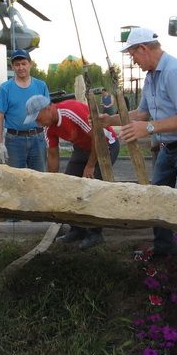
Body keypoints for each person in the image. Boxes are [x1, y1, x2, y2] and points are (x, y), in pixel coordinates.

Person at [101, 28, 177, 283]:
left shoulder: (175, 73)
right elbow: (141, 115)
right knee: (157, 197)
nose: (133, 61)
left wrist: (149, 128)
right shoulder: (151, 76)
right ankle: (164, 249)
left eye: (133, 55)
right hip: (169, 148)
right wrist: (109, 119)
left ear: (143, 48)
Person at [24, 95, 120, 250]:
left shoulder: (70, 111)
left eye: (37, 117)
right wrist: (52, 180)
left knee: (93, 188)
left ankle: (95, 233)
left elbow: (98, 137)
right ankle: (77, 229)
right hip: (82, 148)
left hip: (105, 145)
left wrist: (90, 165)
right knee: (68, 185)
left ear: (48, 108)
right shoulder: (48, 126)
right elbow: (53, 155)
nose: (37, 122)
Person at [0, 49, 50, 170]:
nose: (21, 67)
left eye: (24, 63)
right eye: (17, 64)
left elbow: (48, 113)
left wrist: (52, 137)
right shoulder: (5, 88)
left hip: (38, 139)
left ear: (30, 64)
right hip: (14, 141)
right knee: (14, 181)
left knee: (39, 180)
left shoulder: (41, 86)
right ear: (12, 67)